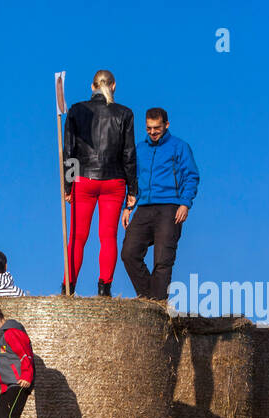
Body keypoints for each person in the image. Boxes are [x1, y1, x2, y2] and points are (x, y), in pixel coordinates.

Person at [63, 69, 138, 297]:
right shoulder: (125, 114)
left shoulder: (77, 110)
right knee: (108, 237)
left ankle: (69, 286)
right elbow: (129, 154)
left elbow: (69, 152)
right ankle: (104, 287)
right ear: (113, 86)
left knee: (77, 237)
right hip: (114, 181)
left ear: (92, 86)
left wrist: (68, 186)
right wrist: (133, 190)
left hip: (83, 178)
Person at [121, 108, 200, 301]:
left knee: (162, 260)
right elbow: (134, 180)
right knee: (128, 252)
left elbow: (191, 176)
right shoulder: (140, 149)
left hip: (170, 207)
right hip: (144, 207)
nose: (153, 132)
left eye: (157, 128)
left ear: (166, 125)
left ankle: (157, 305)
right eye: (149, 128)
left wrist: (184, 204)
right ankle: (151, 301)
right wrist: (128, 206)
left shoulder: (179, 147)